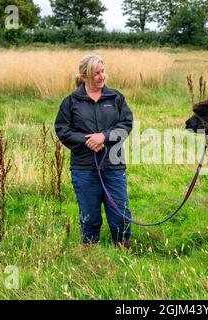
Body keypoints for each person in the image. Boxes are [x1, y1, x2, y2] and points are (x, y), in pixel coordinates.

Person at [55, 54, 133, 249]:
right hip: (84, 168)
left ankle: (123, 254)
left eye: (103, 71)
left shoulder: (115, 98)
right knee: (90, 215)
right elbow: (62, 130)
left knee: (120, 213)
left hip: (114, 166)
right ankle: (90, 256)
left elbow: (126, 124)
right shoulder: (71, 102)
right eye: (96, 73)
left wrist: (104, 137)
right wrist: (87, 140)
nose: (101, 76)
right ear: (84, 76)